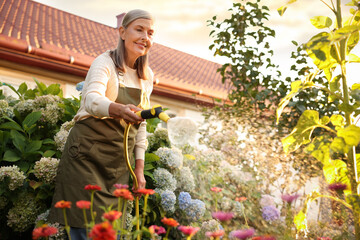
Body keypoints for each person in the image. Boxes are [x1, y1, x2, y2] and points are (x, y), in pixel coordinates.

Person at [48, 9, 155, 239]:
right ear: (122, 32)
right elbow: (91, 99)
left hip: (117, 166)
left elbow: (141, 125)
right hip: (87, 158)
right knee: (83, 228)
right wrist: (120, 110)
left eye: (150, 32)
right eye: (139, 29)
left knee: (109, 231)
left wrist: (138, 169)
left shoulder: (147, 76)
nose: (145, 37)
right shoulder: (104, 62)